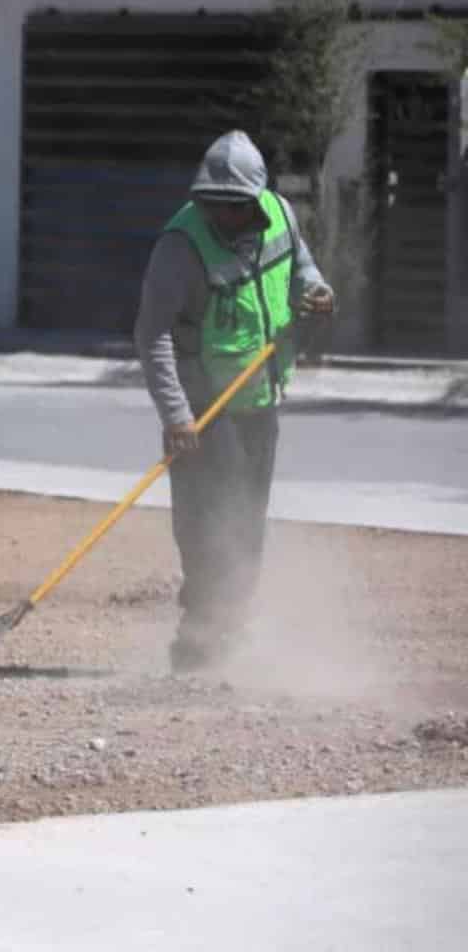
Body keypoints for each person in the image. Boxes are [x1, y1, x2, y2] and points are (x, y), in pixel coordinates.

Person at [133, 130, 335, 674]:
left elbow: (302, 269)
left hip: (261, 397)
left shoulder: (281, 216)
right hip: (204, 410)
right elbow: (151, 334)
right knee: (206, 524)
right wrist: (177, 415)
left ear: (256, 198)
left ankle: (234, 628)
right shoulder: (181, 246)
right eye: (213, 203)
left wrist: (315, 292)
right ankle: (198, 638)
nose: (223, 215)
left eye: (235, 205)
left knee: (246, 521)